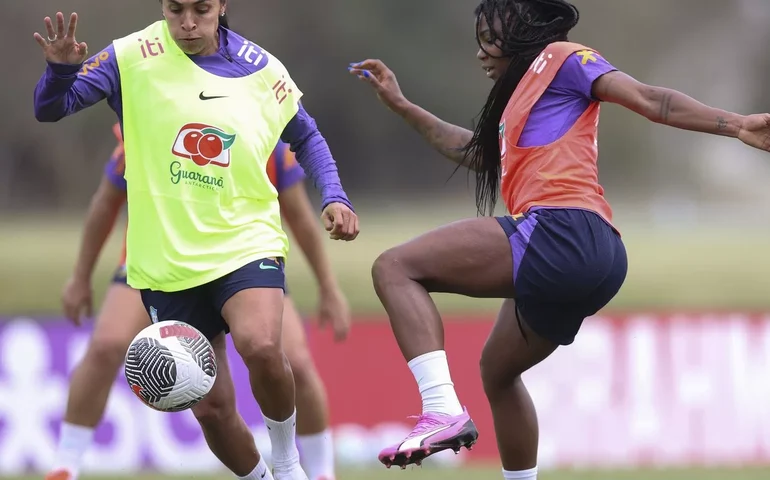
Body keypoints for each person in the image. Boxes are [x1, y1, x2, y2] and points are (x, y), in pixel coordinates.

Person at [349, 0, 770, 477]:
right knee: (498, 371)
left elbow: (651, 100)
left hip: (562, 232)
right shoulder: (519, 102)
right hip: (598, 256)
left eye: (488, 36)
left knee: (394, 267)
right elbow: (475, 154)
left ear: (517, 31)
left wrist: (736, 125)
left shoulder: (564, 59)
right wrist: (403, 106)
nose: (481, 52)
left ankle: (441, 410)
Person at [34, 2, 359, 479]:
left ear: (222, 5)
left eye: (201, 9)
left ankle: (289, 464)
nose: (187, 21)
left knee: (263, 347)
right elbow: (50, 108)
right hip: (166, 264)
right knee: (211, 409)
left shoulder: (262, 69)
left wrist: (335, 195)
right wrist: (59, 72)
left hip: (245, 243)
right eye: (175, 8)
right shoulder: (131, 55)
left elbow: (306, 136)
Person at [46, 125, 347, 480]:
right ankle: (65, 466)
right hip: (158, 262)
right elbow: (106, 202)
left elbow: (298, 215)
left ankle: (321, 472)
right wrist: (80, 277)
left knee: (291, 359)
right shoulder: (153, 122)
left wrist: (329, 287)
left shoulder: (261, 127)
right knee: (109, 345)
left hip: (244, 259)